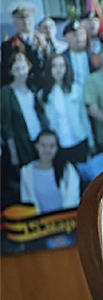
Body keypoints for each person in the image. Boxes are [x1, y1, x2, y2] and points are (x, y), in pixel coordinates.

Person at [2, 53, 46, 203]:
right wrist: (14, 153)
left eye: (23, 68)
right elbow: (7, 125)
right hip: (22, 144)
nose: (21, 72)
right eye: (17, 69)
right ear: (11, 72)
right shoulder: (7, 92)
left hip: (39, 140)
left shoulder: (33, 90)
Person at [39, 53, 92, 166]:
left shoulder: (76, 89)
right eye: (54, 66)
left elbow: (83, 116)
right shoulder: (43, 94)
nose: (58, 70)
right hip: (58, 145)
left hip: (79, 139)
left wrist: (91, 142)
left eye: (61, 66)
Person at [19, 129, 79, 214]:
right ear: (36, 146)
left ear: (57, 148)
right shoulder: (26, 172)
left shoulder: (68, 169)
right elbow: (26, 201)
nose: (47, 150)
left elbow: (73, 199)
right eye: (43, 146)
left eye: (51, 146)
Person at [1, 1, 50, 89]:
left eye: (28, 17)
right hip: (21, 90)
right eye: (21, 18)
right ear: (14, 22)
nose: (25, 21)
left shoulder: (45, 42)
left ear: (34, 19)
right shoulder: (8, 45)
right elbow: (6, 73)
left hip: (43, 89)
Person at [61, 20, 96, 88]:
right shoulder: (62, 58)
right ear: (66, 38)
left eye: (81, 34)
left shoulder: (94, 57)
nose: (79, 38)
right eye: (74, 35)